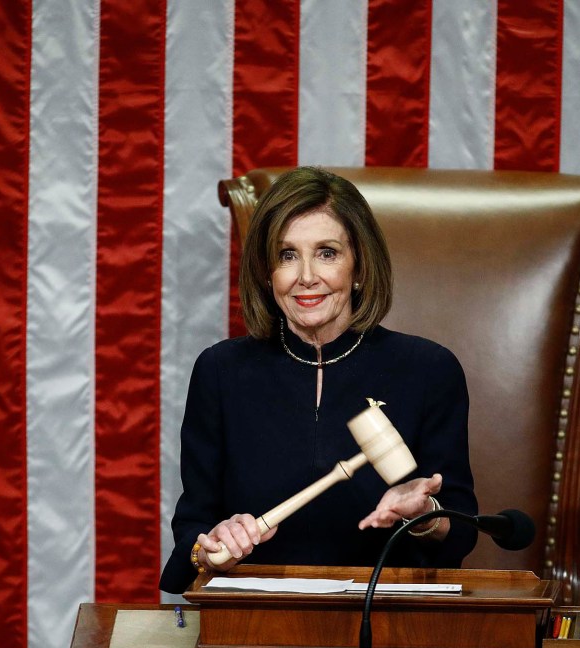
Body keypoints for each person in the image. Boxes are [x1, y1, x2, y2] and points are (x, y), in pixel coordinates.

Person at [158, 166, 477, 594]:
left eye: (327, 252)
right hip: (254, 629)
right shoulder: (221, 372)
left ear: (359, 265)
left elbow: (462, 529)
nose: (306, 275)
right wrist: (212, 544)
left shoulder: (429, 370)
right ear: (266, 272)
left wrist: (427, 514)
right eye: (287, 255)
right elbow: (193, 530)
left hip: (385, 624)